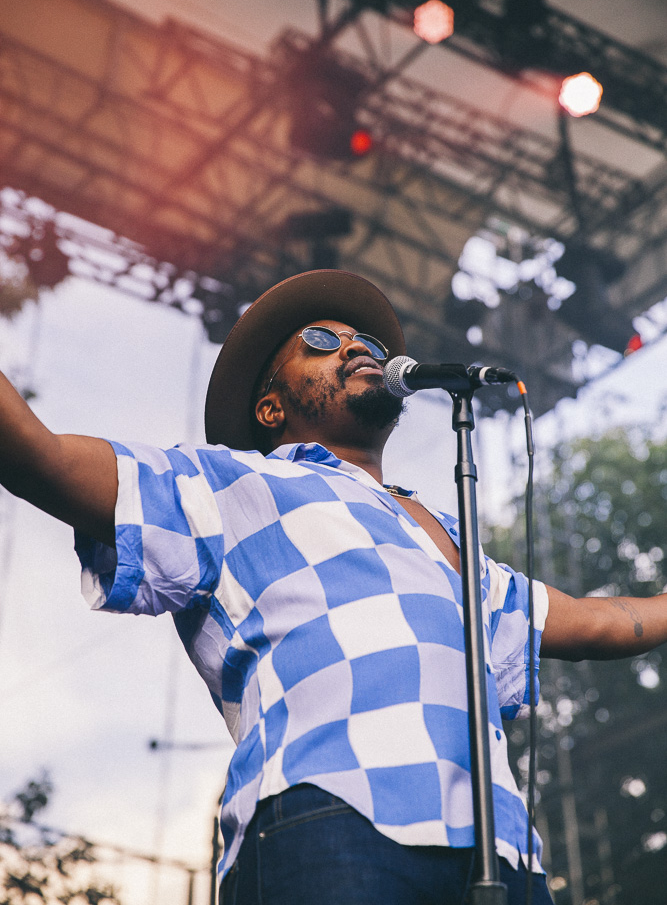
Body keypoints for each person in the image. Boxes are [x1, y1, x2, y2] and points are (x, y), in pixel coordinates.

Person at [2, 268, 666, 905]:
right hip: (327, 813)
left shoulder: (445, 538)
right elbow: (42, 457)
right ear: (270, 405)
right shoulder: (231, 483)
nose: (352, 346)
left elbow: (601, 622)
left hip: (499, 853)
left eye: (365, 343)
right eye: (320, 342)